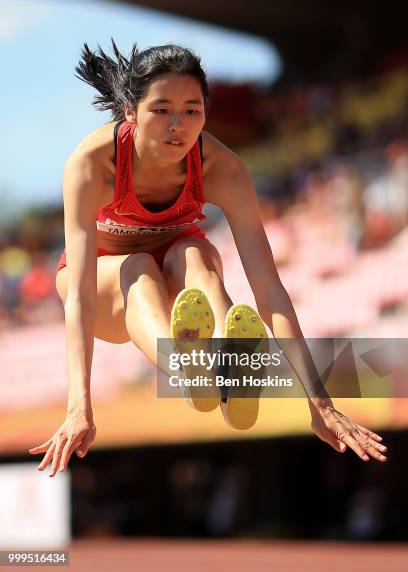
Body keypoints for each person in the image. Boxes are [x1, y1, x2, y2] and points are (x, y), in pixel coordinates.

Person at [28, 40, 387, 477]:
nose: (178, 125)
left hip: (177, 275)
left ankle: (231, 368)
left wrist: (320, 403)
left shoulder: (223, 168)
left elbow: (269, 287)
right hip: (105, 289)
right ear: (130, 111)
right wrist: (78, 407)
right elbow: (81, 296)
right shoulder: (92, 164)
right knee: (137, 268)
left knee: (197, 250)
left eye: (192, 110)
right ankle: (188, 369)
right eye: (161, 109)